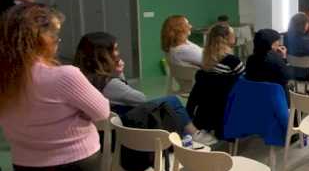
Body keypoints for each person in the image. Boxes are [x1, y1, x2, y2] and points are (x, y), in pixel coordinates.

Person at [0, 4, 109, 171]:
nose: (58, 41)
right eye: (55, 34)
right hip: (73, 166)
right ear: (37, 38)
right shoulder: (65, 76)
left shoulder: (5, 77)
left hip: (27, 166)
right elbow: (102, 112)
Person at [74, 31, 217, 145]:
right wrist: (118, 73)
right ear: (103, 55)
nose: (118, 53)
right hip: (127, 130)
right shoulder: (110, 83)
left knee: (170, 104)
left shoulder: (81, 76)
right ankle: (192, 134)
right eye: (115, 49)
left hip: (104, 131)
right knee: (171, 102)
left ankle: (188, 134)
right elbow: (140, 99)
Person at [186, 24, 244, 137]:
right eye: (232, 34)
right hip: (228, 109)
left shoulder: (206, 61)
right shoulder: (233, 61)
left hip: (206, 112)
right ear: (226, 39)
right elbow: (246, 82)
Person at [245, 28, 291, 102]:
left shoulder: (250, 59)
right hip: (276, 99)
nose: (279, 43)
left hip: (256, 98)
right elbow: (287, 77)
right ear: (271, 43)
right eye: (277, 41)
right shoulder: (276, 59)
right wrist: (284, 58)